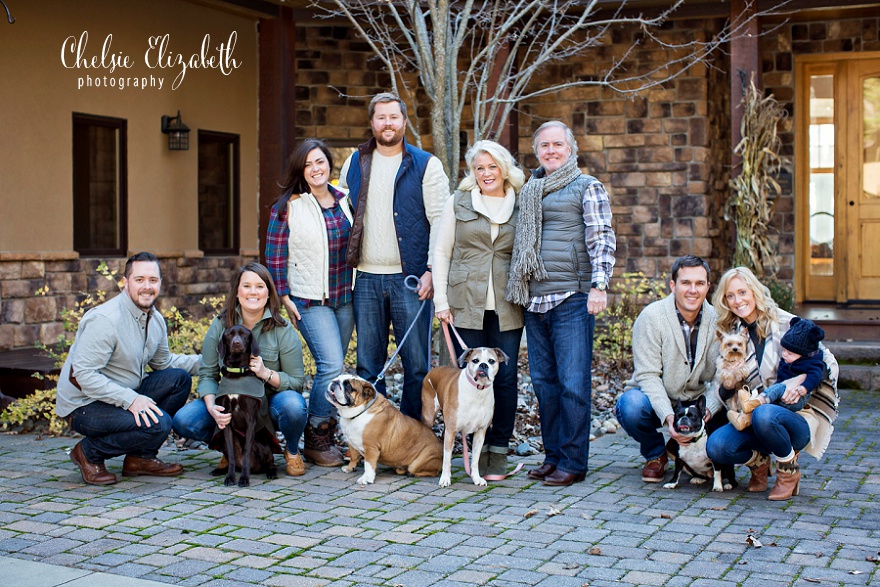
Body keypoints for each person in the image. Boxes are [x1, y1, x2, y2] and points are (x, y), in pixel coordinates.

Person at [507, 120, 616, 487]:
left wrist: (600, 285)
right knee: (544, 384)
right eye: (544, 146)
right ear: (536, 152)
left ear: (571, 149)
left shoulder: (587, 187)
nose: (551, 151)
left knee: (572, 384)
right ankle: (553, 456)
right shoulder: (530, 190)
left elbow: (601, 237)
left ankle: (574, 461)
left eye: (558, 144)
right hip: (535, 301)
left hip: (572, 296)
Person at [337, 92, 449, 420]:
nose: (388, 123)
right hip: (366, 280)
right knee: (369, 367)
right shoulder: (354, 162)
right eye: (381, 117)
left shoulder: (426, 164)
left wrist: (431, 270)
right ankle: (379, 437)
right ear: (372, 122)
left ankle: (414, 435)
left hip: (411, 280)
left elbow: (441, 222)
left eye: (394, 117)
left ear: (404, 121)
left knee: (416, 366)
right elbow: (342, 212)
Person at [56, 252, 200, 485]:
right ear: (126, 283)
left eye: (153, 280)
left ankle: (139, 458)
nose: (147, 286)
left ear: (160, 284)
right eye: (139, 279)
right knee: (159, 424)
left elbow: (164, 364)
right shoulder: (106, 320)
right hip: (83, 405)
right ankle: (88, 452)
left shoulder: (154, 319)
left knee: (179, 380)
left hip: (120, 393)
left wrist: (211, 362)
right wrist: (131, 400)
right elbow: (83, 376)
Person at [432, 140, 525, 478]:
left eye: (492, 166)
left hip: (508, 304)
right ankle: (466, 454)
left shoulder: (521, 203)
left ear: (504, 169)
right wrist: (441, 301)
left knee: (505, 379)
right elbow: (441, 251)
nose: (486, 173)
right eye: (479, 168)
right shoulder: (458, 202)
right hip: (463, 304)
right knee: (464, 378)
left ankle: (497, 452)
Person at [707, 266, 839, 500]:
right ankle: (759, 462)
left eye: (743, 292)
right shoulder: (732, 334)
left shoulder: (787, 323)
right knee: (716, 446)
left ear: (754, 291)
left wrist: (801, 384)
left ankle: (788, 471)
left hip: (794, 417)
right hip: (752, 416)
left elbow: (828, 362)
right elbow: (722, 387)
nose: (737, 300)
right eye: (730, 295)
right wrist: (727, 385)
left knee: (765, 414)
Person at [265, 139, 353, 467]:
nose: (316, 169)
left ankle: (325, 432)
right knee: (331, 365)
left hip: (346, 297)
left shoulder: (345, 200)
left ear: (329, 164)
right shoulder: (289, 206)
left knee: (332, 366)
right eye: (309, 165)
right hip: (308, 300)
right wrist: (283, 296)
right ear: (300, 170)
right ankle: (317, 435)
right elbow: (274, 254)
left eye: (320, 162)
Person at [172, 263, 308, 476]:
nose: (253, 292)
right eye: (247, 286)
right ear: (237, 291)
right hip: (230, 401)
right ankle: (231, 448)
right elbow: (207, 373)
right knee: (184, 420)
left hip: (269, 403)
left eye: (260, 286)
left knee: (294, 406)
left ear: (268, 292)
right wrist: (212, 408)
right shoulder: (220, 325)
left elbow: (297, 381)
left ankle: (291, 452)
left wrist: (266, 373)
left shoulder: (281, 329)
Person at [614, 255, 729, 483]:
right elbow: (648, 375)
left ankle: (703, 456)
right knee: (630, 406)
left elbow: (722, 375)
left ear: (708, 286)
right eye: (686, 283)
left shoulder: (718, 320)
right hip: (658, 396)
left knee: (731, 413)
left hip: (699, 400)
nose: (692, 290)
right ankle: (656, 453)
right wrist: (669, 417)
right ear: (673, 285)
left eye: (699, 283)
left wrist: (709, 409)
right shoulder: (651, 317)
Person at [741, 317, 826, 414]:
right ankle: (744, 418)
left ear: (804, 355)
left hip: (796, 399)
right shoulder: (788, 359)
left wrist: (805, 387)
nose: (784, 354)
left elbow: (815, 375)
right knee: (775, 392)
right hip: (782, 396)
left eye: (789, 353)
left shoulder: (811, 363)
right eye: (784, 350)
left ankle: (756, 402)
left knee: (778, 388)